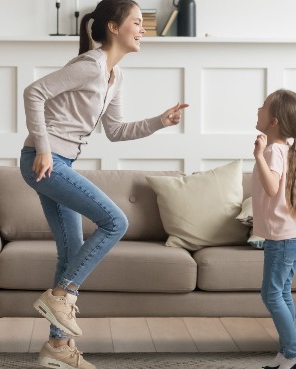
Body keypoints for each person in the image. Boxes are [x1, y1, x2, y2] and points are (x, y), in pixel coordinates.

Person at [19, 1, 188, 368]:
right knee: (116, 221)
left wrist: (160, 120)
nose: (143, 29)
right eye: (136, 22)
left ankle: (57, 348)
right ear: (114, 27)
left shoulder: (114, 76)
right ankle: (61, 294)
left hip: (57, 163)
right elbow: (33, 92)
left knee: (70, 251)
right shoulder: (90, 65)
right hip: (44, 162)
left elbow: (115, 131)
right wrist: (45, 150)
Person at [252, 89, 296, 369]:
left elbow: (272, 187)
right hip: (293, 235)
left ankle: (295, 354)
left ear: (274, 121)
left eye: (263, 107)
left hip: (283, 237)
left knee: (272, 294)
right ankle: (287, 353)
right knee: (282, 292)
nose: (258, 109)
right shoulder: (287, 149)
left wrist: (259, 157)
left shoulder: (274, 151)